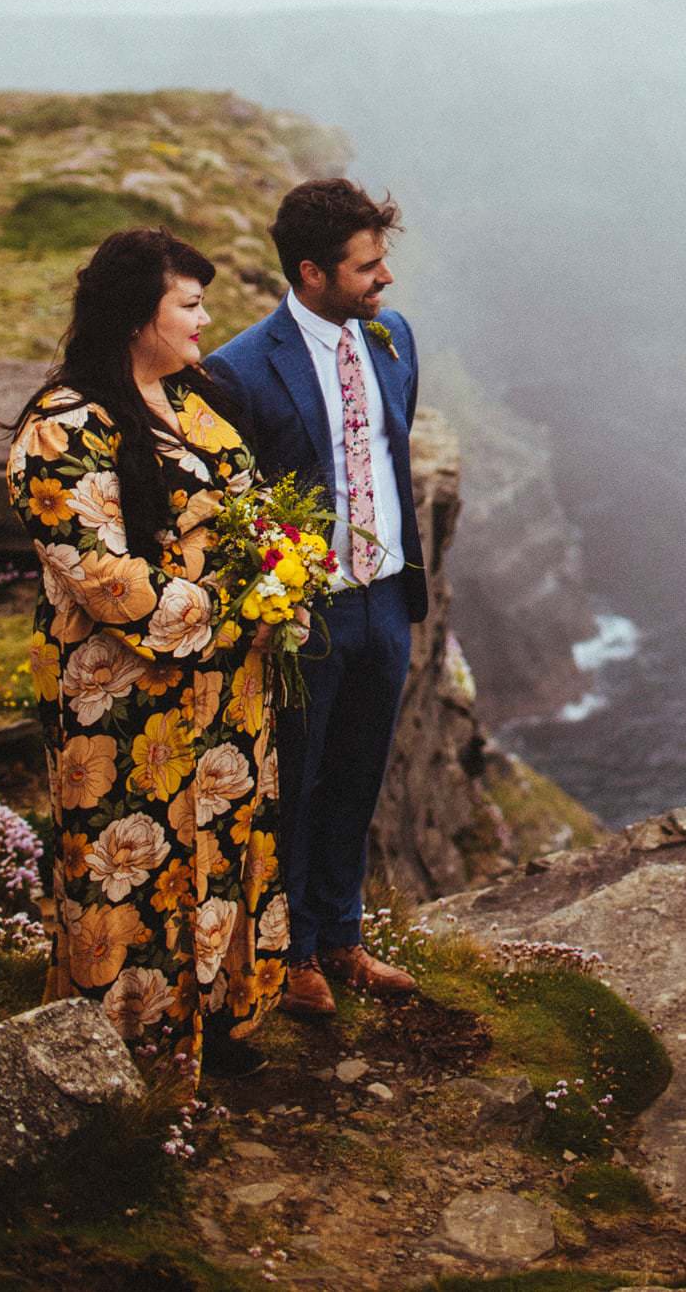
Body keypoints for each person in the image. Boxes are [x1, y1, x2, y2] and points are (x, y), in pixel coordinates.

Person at [8, 227, 285, 1084]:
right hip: (124, 696)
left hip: (226, 687)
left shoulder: (188, 398)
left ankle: (218, 1022)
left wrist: (282, 567)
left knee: (222, 843)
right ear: (136, 316)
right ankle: (127, 1058)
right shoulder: (60, 427)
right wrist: (230, 610)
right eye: (190, 305)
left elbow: (247, 500)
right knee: (130, 863)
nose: (207, 321)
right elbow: (100, 573)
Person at [207, 179, 425, 1021]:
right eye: (368, 266)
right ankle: (290, 953)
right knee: (293, 782)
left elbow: (392, 450)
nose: (386, 281)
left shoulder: (394, 337)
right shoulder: (238, 368)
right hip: (309, 614)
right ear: (311, 271)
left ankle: (343, 935)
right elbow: (240, 505)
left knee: (360, 774)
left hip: (387, 599)